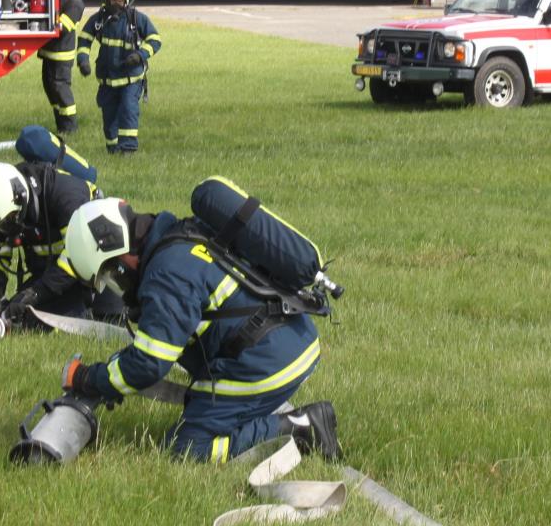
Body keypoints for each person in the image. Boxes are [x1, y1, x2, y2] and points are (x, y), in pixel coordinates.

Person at [55, 198, 340, 463]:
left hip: (267, 361)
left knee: (188, 449)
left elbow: (149, 363)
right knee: (200, 410)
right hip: (290, 336)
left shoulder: (166, 274)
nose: (118, 285)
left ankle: (300, 428)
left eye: (110, 272)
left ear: (117, 251)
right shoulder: (180, 236)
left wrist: (89, 378)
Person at [0, 129, 122, 330]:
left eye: (6, 223)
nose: (3, 231)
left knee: (109, 320)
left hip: (96, 266)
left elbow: (76, 258)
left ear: (21, 199)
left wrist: (36, 293)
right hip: (51, 270)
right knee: (23, 321)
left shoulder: (65, 196)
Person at [80, 0, 162, 154]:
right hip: (108, 79)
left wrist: (140, 55)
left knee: (128, 110)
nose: (114, 5)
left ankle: (128, 149)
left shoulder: (136, 19)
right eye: (111, 1)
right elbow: (84, 38)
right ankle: (113, 148)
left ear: (127, 1)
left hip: (130, 78)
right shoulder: (99, 19)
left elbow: (155, 40)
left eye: (119, 1)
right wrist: (83, 60)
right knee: (109, 116)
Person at [40, 0, 90, 136]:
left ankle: (70, 128)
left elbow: (63, 27)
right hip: (49, 52)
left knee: (61, 88)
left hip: (61, 53)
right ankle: (60, 124)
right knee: (50, 88)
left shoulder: (75, 2)